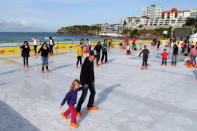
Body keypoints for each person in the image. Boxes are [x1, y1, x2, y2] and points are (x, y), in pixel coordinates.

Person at [76, 51, 98, 117]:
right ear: (90, 55)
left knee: (93, 92)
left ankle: (90, 105)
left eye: (95, 56)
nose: (95, 58)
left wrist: (93, 79)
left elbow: (92, 71)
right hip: (85, 82)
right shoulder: (86, 63)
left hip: (90, 81)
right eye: (94, 56)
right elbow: (82, 74)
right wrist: (84, 83)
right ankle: (77, 110)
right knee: (84, 96)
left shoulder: (92, 62)